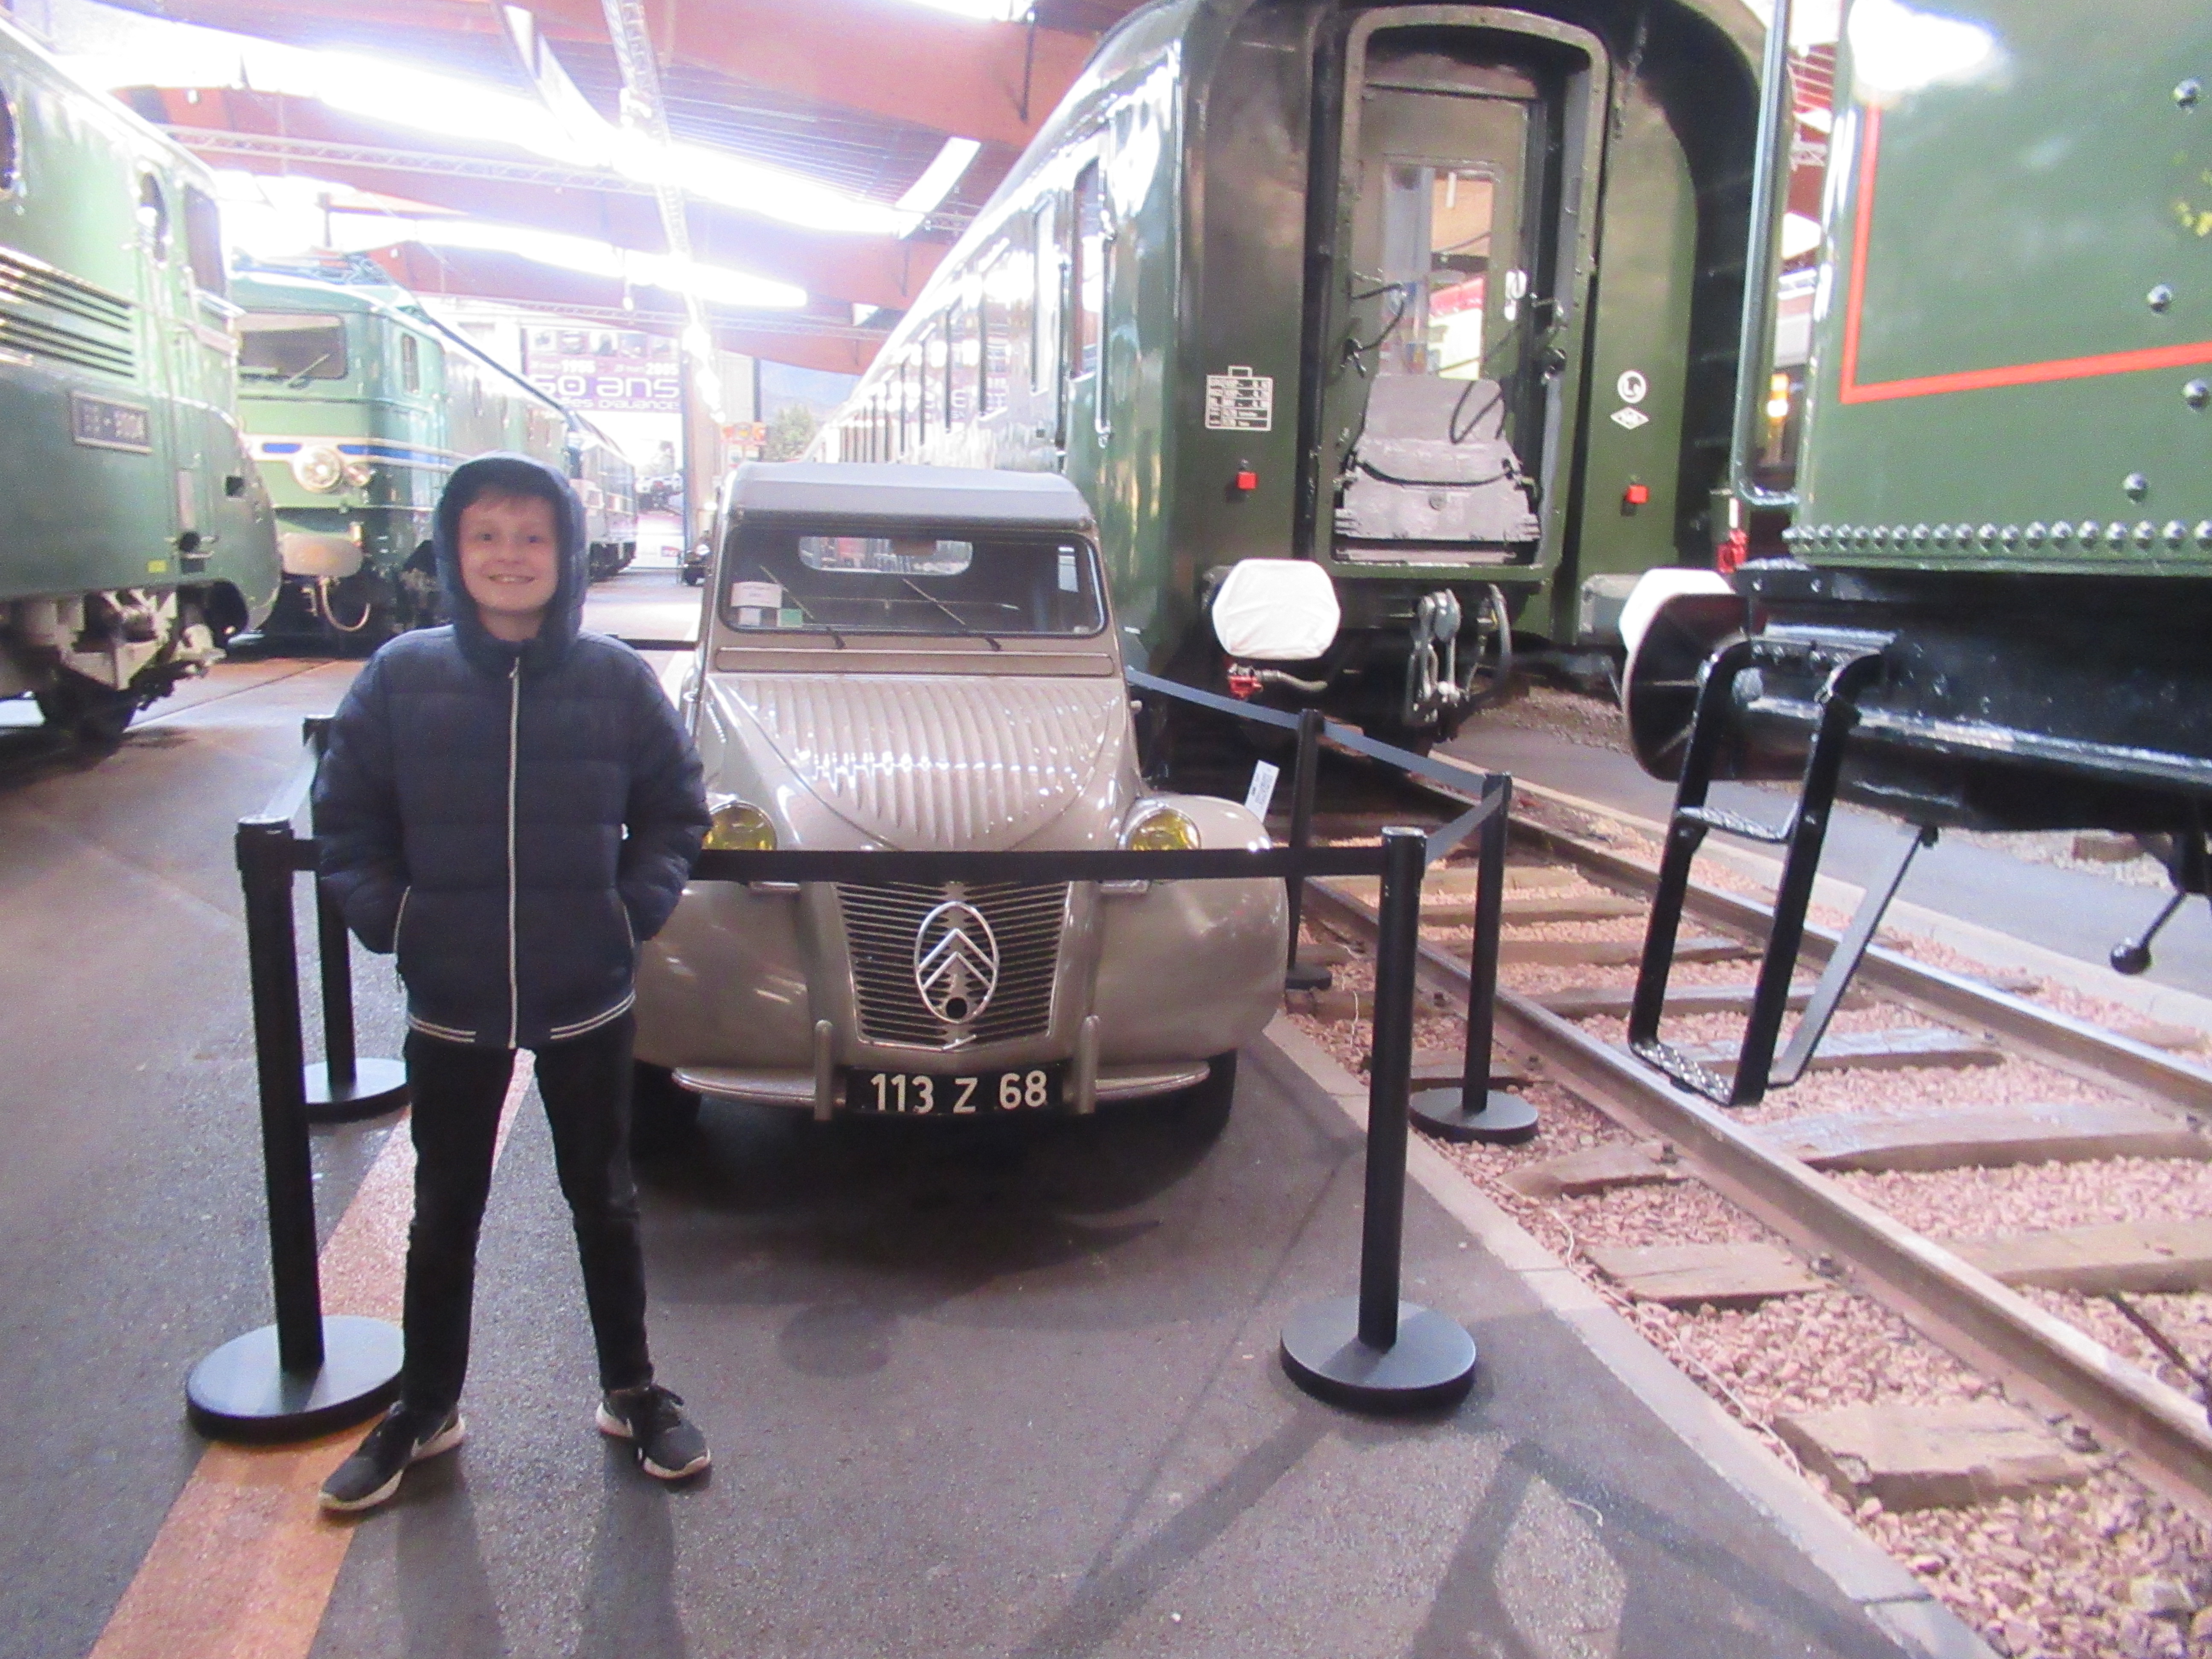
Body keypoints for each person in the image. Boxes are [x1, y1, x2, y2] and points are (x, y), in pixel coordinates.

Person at [312, 453, 711, 1514]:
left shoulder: (616, 680)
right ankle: (426, 1405)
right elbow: (346, 822)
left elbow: (677, 810)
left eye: (533, 536)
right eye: (486, 535)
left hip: (588, 992)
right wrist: (400, 923)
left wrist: (626, 916)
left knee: (606, 1200)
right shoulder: (400, 676)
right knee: (445, 1208)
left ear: (567, 553)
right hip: (454, 999)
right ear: (454, 550)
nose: (509, 556)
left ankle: (632, 1392)